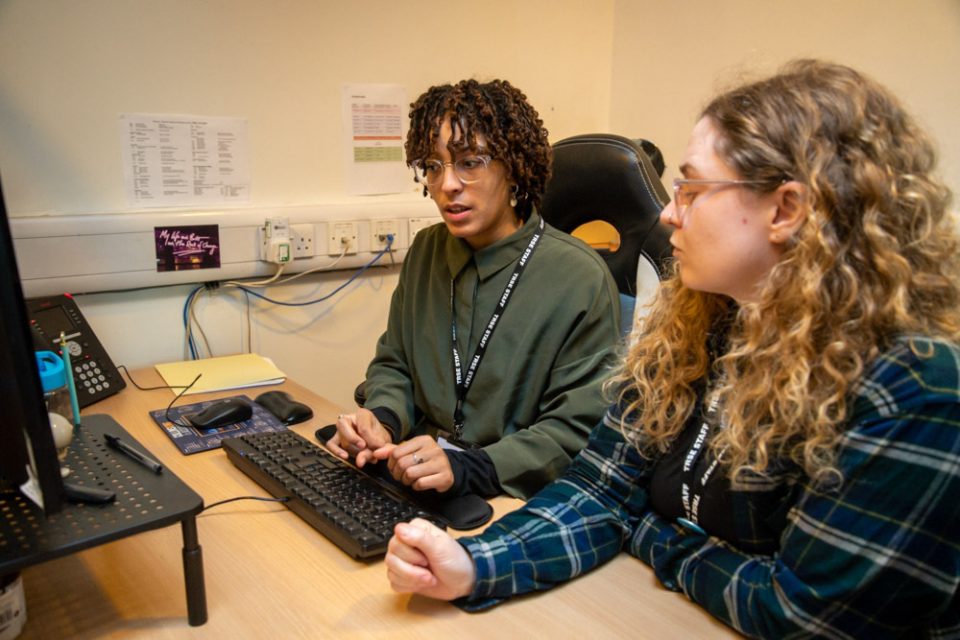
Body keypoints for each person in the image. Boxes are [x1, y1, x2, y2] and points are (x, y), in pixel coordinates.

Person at [383, 60, 960, 637]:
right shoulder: (704, 323)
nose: (665, 212)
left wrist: (651, 533)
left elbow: (799, 615)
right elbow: (600, 487)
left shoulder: (913, 388)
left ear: (785, 210)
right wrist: (475, 564)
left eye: (692, 189)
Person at [326, 79, 621, 500]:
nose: (447, 185)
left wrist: (473, 467)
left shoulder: (579, 277)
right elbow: (396, 364)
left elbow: (576, 429)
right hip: (419, 482)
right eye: (432, 165)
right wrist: (382, 419)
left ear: (514, 168)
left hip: (511, 496)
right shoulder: (427, 251)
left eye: (470, 162)